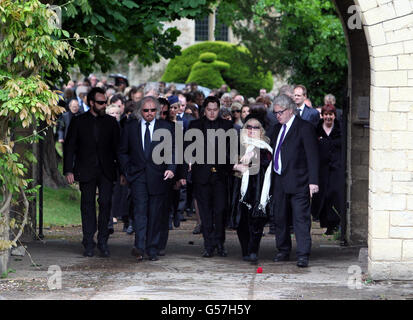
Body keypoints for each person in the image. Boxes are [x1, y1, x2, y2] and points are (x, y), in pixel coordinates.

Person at [63, 87, 120, 258]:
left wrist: (121, 171)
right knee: (87, 206)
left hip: (106, 170)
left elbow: (118, 149)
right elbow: (70, 147)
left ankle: (103, 241)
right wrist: (68, 170)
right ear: (91, 103)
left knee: (105, 204)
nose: (104, 105)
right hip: (86, 170)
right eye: (100, 103)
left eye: (105, 102)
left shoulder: (111, 122)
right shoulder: (79, 121)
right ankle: (88, 241)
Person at [118, 96, 176, 262]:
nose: (149, 113)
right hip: (138, 176)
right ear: (139, 111)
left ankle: (152, 248)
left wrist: (171, 168)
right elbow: (122, 151)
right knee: (140, 212)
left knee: (155, 213)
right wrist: (127, 170)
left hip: (159, 176)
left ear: (157, 111)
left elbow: (173, 149)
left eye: (152, 110)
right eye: (146, 110)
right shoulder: (130, 127)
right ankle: (140, 247)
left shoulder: (166, 127)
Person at [181, 96, 236, 258]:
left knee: (220, 210)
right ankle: (208, 244)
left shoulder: (227, 126)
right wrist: (186, 169)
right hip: (201, 175)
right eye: (209, 110)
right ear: (204, 110)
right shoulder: (194, 125)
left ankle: (220, 242)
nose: (212, 113)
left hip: (221, 175)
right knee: (204, 212)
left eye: (215, 110)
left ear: (219, 110)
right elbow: (187, 149)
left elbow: (231, 151)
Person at [271, 94, 319, 268]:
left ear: (290, 110)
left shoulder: (304, 128)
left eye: (280, 112)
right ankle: (283, 250)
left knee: (300, 219)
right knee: (280, 217)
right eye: (275, 113)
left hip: (299, 181)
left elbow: (312, 156)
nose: (277, 116)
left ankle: (303, 254)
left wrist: (313, 181)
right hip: (279, 181)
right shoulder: (276, 128)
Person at [233, 115, 273, 264]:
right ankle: (245, 250)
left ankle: (253, 251)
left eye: (255, 127)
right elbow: (229, 161)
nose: (251, 130)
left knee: (257, 221)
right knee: (242, 221)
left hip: (259, 190)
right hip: (241, 189)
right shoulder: (239, 144)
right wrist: (238, 163)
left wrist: (253, 156)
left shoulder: (265, 147)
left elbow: (267, 162)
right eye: (248, 127)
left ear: (261, 131)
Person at [311, 104, 343, 235]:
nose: (328, 117)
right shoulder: (316, 129)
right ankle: (325, 222)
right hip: (321, 169)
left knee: (334, 195)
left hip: (336, 168)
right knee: (322, 195)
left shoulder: (340, 129)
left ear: (334, 116)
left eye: (330, 114)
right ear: (322, 115)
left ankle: (334, 224)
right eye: (326, 114)